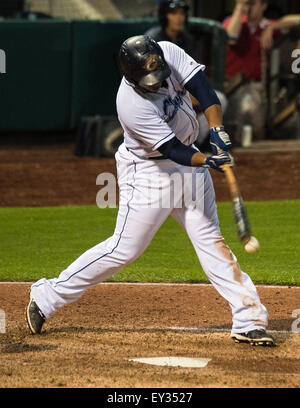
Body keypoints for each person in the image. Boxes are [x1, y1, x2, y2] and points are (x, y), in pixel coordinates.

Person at [26, 35, 274, 347]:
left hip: (189, 164)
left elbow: (203, 90)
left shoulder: (167, 52)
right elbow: (172, 150)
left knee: (211, 240)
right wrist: (209, 159)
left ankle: (249, 319)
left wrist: (217, 130)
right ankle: (47, 295)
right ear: (130, 77)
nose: (156, 84)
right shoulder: (130, 104)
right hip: (150, 174)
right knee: (124, 249)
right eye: (148, 81)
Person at [145, 0, 228, 148]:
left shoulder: (186, 39)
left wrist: (193, 93)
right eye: (173, 13)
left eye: (182, 13)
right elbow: (151, 80)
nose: (179, 17)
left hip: (181, 91)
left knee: (218, 99)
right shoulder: (153, 38)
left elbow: (192, 73)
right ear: (165, 16)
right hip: (158, 93)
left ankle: (194, 143)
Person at [223, 0, 300, 144]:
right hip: (230, 87)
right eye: (247, 3)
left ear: (263, 6)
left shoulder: (266, 26)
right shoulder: (233, 21)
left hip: (257, 89)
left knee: (254, 120)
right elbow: (231, 38)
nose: (248, 7)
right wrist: (239, 7)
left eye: (252, 3)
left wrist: (273, 27)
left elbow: (297, 20)